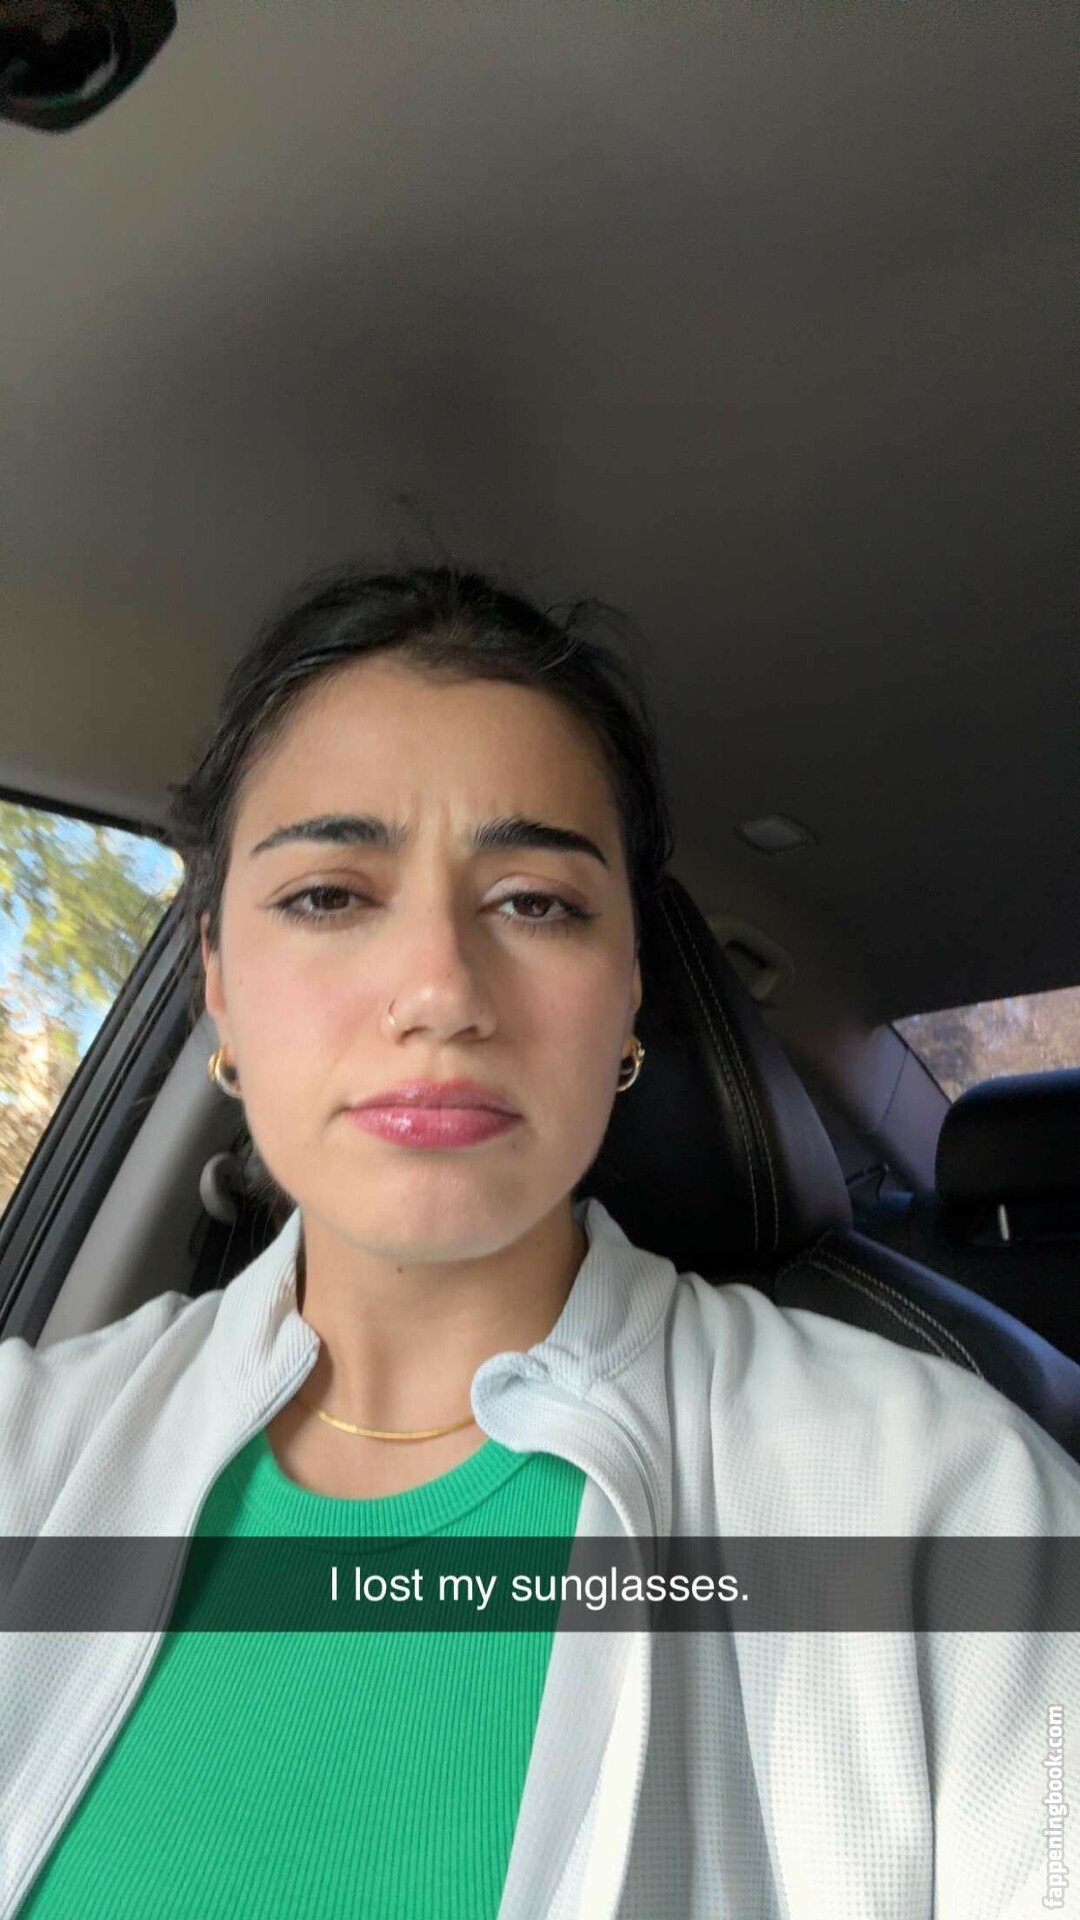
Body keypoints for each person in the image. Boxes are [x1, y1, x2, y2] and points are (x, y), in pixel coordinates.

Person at [1, 561, 1077, 1920]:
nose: (441, 990)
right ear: (216, 980)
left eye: (537, 902)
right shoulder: (29, 1451)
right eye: (330, 895)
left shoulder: (943, 1506)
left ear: (627, 994)